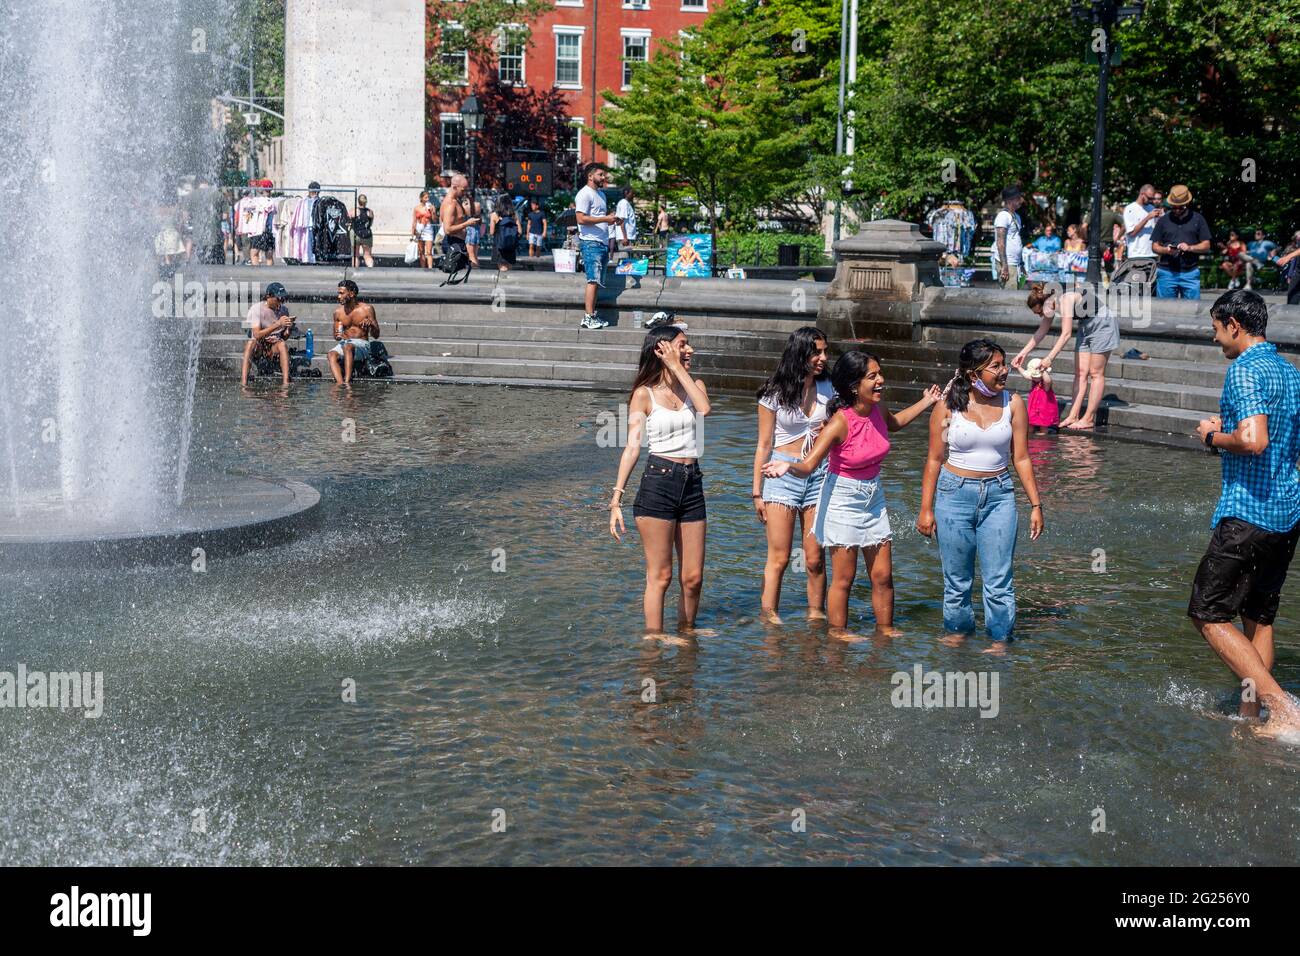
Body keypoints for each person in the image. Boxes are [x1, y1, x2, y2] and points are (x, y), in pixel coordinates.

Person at [762, 351, 941, 641]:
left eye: (879, 373)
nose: (881, 380)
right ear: (854, 386)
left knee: (883, 575)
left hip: (874, 496)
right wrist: (787, 466)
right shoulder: (839, 422)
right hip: (842, 498)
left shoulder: (878, 408)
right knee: (844, 578)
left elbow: (895, 423)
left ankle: (885, 631)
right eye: (873, 376)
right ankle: (838, 633)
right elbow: (809, 465)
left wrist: (927, 401)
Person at [1190, 289, 1300, 738]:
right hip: (1287, 512)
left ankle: (1282, 709)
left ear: (1234, 325)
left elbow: (1254, 441)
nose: (1215, 338)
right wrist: (1231, 430)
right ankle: (1251, 716)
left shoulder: (1244, 369)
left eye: (1217, 329)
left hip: (1248, 514)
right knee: (1259, 617)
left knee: (1207, 612)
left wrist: (1211, 436)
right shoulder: (1288, 371)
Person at [917, 339, 1045, 651]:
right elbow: (934, 459)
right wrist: (926, 509)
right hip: (954, 495)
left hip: (999, 496)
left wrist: (1036, 504)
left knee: (999, 580)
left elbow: (1021, 458)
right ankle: (958, 634)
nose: (1004, 371)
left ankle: (1000, 640)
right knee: (957, 580)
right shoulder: (948, 407)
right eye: (995, 366)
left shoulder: (1013, 403)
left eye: (1004, 364)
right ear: (974, 375)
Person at [609, 325, 713, 643]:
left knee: (693, 578)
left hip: (692, 484)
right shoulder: (644, 394)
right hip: (658, 482)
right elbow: (632, 447)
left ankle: (687, 632)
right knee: (661, 575)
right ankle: (653, 639)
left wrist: (676, 367)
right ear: (663, 350)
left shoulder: (695, 385)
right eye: (682, 345)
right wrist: (616, 499)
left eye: (688, 345)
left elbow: (704, 409)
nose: (690, 350)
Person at [752, 327, 834, 624]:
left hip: (819, 473)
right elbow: (763, 444)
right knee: (780, 557)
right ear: (800, 354)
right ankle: (769, 616)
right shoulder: (774, 392)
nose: (823, 358)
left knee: (814, 558)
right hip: (780, 474)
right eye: (816, 352)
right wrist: (757, 492)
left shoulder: (830, 387)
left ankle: (816, 614)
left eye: (824, 352)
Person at [1014, 283, 1118, 430]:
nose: (1041, 316)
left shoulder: (1065, 299)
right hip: (1085, 325)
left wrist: (1049, 358)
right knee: (1080, 373)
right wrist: (1022, 353)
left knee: (1096, 373)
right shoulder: (1050, 305)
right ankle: (1073, 416)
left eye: (1040, 312)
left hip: (1102, 323)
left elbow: (1066, 334)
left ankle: (1088, 418)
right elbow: (1041, 331)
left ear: (1046, 302)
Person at [576, 163, 619, 329]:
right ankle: (587, 317)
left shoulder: (601, 194)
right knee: (592, 280)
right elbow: (581, 219)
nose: (603, 177)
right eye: (600, 175)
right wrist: (605, 219)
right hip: (590, 242)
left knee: (598, 282)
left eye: (604, 175)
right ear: (590, 176)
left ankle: (592, 315)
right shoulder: (584, 194)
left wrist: (612, 220)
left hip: (602, 242)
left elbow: (599, 217)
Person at [1151, 184, 1211, 299]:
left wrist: (1190, 248)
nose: (1177, 210)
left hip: (1190, 272)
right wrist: (1166, 250)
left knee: (1192, 308)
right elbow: (1154, 246)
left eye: (1181, 207)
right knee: (1164, 308)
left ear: (1187, 204)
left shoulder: (1198, 219)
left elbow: (1206, 245)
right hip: (1166, 272)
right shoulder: (1163, 221)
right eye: (1174, 207)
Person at [240, 282, 296, 386]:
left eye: (283, 299)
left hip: (274, 347)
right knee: (250, 343)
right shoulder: (257, 309)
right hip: (259, 346)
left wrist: (288, 328)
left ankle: (285, 383)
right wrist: (278, 324)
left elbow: (284, 337)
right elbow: (256, 335)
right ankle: (243, 383)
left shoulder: (284, 310)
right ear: (268, 297)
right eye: (278, 298)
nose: (281, 301)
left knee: (282, 344)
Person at [328, 279, 380, 384]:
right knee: (331, 354)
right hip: (345, 342)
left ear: (351, 294)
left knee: (348, 346)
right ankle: (340, 384)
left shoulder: (367, 309)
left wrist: (371, 324)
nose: (338, 296)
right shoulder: (338, 312)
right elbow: (336, 337)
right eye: (338, 293)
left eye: (341, 293)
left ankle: (347, 383)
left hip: (362, 344)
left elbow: (376, 335)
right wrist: (337, 335)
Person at [1113, 183, 1162, 288]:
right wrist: (1147, 217)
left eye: (1153, 198)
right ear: (1142, 194)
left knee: (1150, 288)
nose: (1151, 200)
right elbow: (1132, 232)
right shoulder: (1130, 209)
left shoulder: (1151, 208)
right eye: (1149, 198)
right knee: (1137, 287)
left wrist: (1159, 220)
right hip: (1137, 256)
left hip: (1152, 254)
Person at [438, 173, 480, 265]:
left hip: (459, 242)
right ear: (455, 187)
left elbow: (470, 214)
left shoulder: (456, 201)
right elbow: (447, 229)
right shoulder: (450, 204)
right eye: (463, 190)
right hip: (453, 242)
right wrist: (467, 224)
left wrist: (471, 200)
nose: (465, 193)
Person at [992, 185, 1025, 290]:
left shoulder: (1016, 216)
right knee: (1011, 296)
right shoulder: (1003, 216)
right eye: (1018, 198)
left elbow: (1017, 240)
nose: (1021, 200)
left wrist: (1021, 264)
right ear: (1010, 200)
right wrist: (1004, 265)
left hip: (1015, 263)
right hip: (1007, 263)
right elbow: (1000, 242)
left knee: (1015, 294)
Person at [1019, 358, 1059, 434]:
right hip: (1034, 406)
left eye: (1034, 376)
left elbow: (1048, 380)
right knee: (1030, 422)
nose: (1032, 377)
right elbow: (1026, 375)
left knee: (1043, 425)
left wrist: (1042, 371)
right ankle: (1030, 433)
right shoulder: (1035, 380)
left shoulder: (1045, 384)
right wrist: (1018, 367)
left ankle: (1043, 434)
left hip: (1044, 407)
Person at [489, 195, 520, 271]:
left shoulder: (494, 215)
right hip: (511, 246)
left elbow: (491, 232)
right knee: (509, 267)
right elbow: (520, 231)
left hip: (499, 245)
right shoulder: (514, 215)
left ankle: (502, 279)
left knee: (502, 268)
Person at [411, 190, 437, 269]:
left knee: (429, 251)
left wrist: (433, 212)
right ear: (421, 198)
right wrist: (413, 233)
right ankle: (423, 269)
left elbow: (434, 220)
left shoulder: (430, 207)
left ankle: (430, 268)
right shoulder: (416, 208)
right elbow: (414, 221)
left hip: (428, 228)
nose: (427, 199)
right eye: (426, 197)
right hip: (419, 228)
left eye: (428, 197)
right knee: (421, 251)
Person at [351, 195, 374, 268]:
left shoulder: (354, 211)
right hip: (367, 235)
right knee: (367, 256)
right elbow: (370, 224)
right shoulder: (370, 212)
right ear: (366, 202)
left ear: (358, 201)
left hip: (356, 235)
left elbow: (348, 221)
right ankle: (371, 269)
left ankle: (354, 272)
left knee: (355, 256)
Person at [1277, 231, 1300, 305]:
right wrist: (1290, 275)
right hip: (1298, 270)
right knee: (1292, 295)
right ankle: (1290, 309)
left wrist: (1288, 256)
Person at [615, 187, 637, 251]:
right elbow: (621, 221)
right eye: (632, 193)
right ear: (626, 193)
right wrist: (625, 237)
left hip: (627, 237)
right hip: (625, 237)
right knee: (625, 256)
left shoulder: (625, 203)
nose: (633, 195)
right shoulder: (624, 203)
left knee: (628, 256)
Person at [463, 190, 482, 267]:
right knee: (475, 254)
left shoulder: (465, 205)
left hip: (469, 229)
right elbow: (479, 217)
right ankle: (477, 269)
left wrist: (464, 204)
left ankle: (475, 271)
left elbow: (465, 214)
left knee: (471, 254)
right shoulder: (478, 204)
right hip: (476, 229)